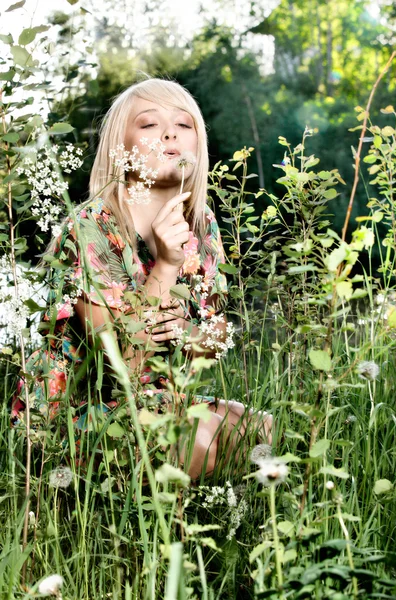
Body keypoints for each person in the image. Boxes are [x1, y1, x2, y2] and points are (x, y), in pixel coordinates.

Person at [13, 78, 272, 478]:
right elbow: (123, 365)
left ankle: (204, 519)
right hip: (72, 413)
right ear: (122, 148)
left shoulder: (201, 223)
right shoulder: (90, 226)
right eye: (149, 124)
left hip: (159, 398)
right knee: (193, 437)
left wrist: (190, 334)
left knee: (258, 428)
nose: (170, 133)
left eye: (184, 125)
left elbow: (216, 337)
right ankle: (118, 530)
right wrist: (167, 263)